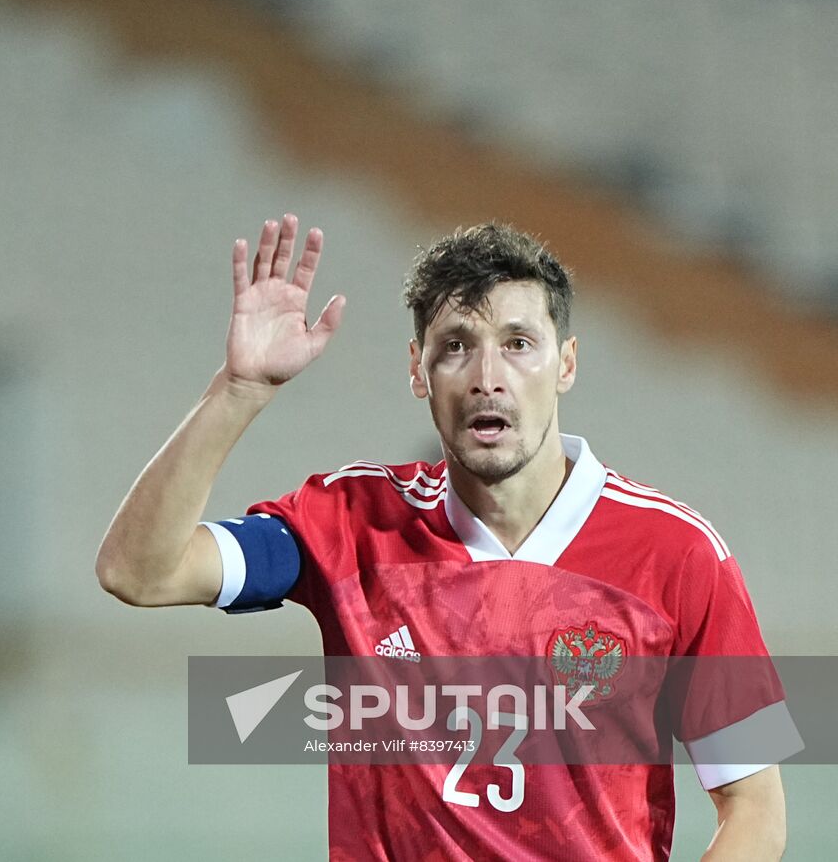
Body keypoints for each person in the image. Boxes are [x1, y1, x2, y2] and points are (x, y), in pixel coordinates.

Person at [96, 215, 792, 860]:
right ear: (416, 369)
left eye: (519, 344)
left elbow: (754, 804)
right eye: (456, 347)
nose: (489, 378)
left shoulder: (677, 553)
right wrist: (238, 391)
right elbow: (139, 570)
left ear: (567, 363)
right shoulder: (349, 523)